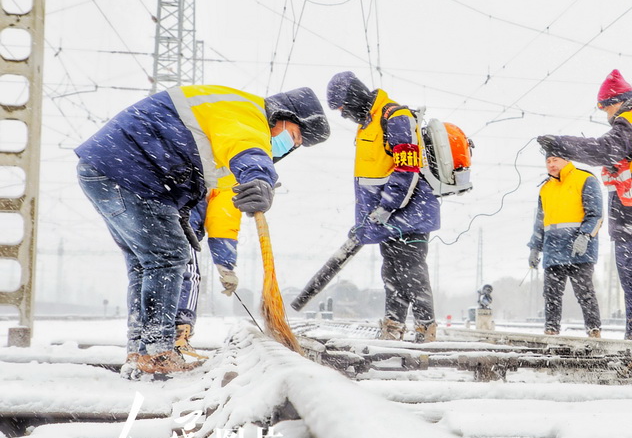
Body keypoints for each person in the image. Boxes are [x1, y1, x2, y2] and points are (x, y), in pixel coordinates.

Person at [76, 85, 330, 376]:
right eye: (294, 137)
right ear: (284, 117)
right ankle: (157, 354)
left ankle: (141, 352)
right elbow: (249, 148)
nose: (291, 146)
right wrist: (260, 179)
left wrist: (182, 212)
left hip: (109, 168)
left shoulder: (231, 111)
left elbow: (195, 172)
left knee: (144, 265)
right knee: (168, 257)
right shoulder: (249, 114)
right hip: (130, 170)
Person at [537, 70, 632, 340]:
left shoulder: (631, 119)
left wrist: (561, 144)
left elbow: (604, 150)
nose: (607, 116)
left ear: (614, 101)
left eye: (605, 108)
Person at [327, 71, 441, 343]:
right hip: (384, 217)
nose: (344, 115)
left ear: (354, 96)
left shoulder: (395, 116)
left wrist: (388, 206)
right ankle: (393, 326)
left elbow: (407, 166)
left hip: (410, 212)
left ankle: (426, 329)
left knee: (412, 270)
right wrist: (369, 218)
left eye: (344, 108)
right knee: (392, 271)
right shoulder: (367, 123)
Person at [528, 150, 604, 338]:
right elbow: (540, 222)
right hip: (553, 250)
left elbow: (596, 215)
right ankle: (551, 331)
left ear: (566, 160)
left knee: (584, 293)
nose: (551, 165)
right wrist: (535, 248)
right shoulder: (545, 189)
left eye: (555, 160)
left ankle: (594, 331)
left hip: (580, 250)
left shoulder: (585, 179)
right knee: (551, 295)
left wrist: (585, 236)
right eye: (548, 161)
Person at [173, 176, 244, 358]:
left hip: (143, 213)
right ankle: (177, 337)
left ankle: (143, 345)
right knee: (188, 275)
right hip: (181, 225)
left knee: (145, 275)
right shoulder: (229, 175)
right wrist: (225, 266)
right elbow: (222, 219)